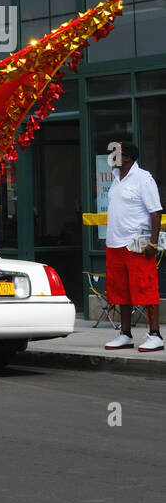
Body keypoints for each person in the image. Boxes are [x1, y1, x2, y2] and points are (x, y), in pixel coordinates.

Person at [103, 140, 163, 352]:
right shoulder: (116, 178)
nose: (111, 157)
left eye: (115, 154)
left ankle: (155, 335)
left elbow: (155, 212)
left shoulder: (143, 179)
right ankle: (125, 334)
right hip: (115, 244)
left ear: (127, 158)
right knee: (120, 291)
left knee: (145, 289)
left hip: (137, 244)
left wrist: (153, 243)